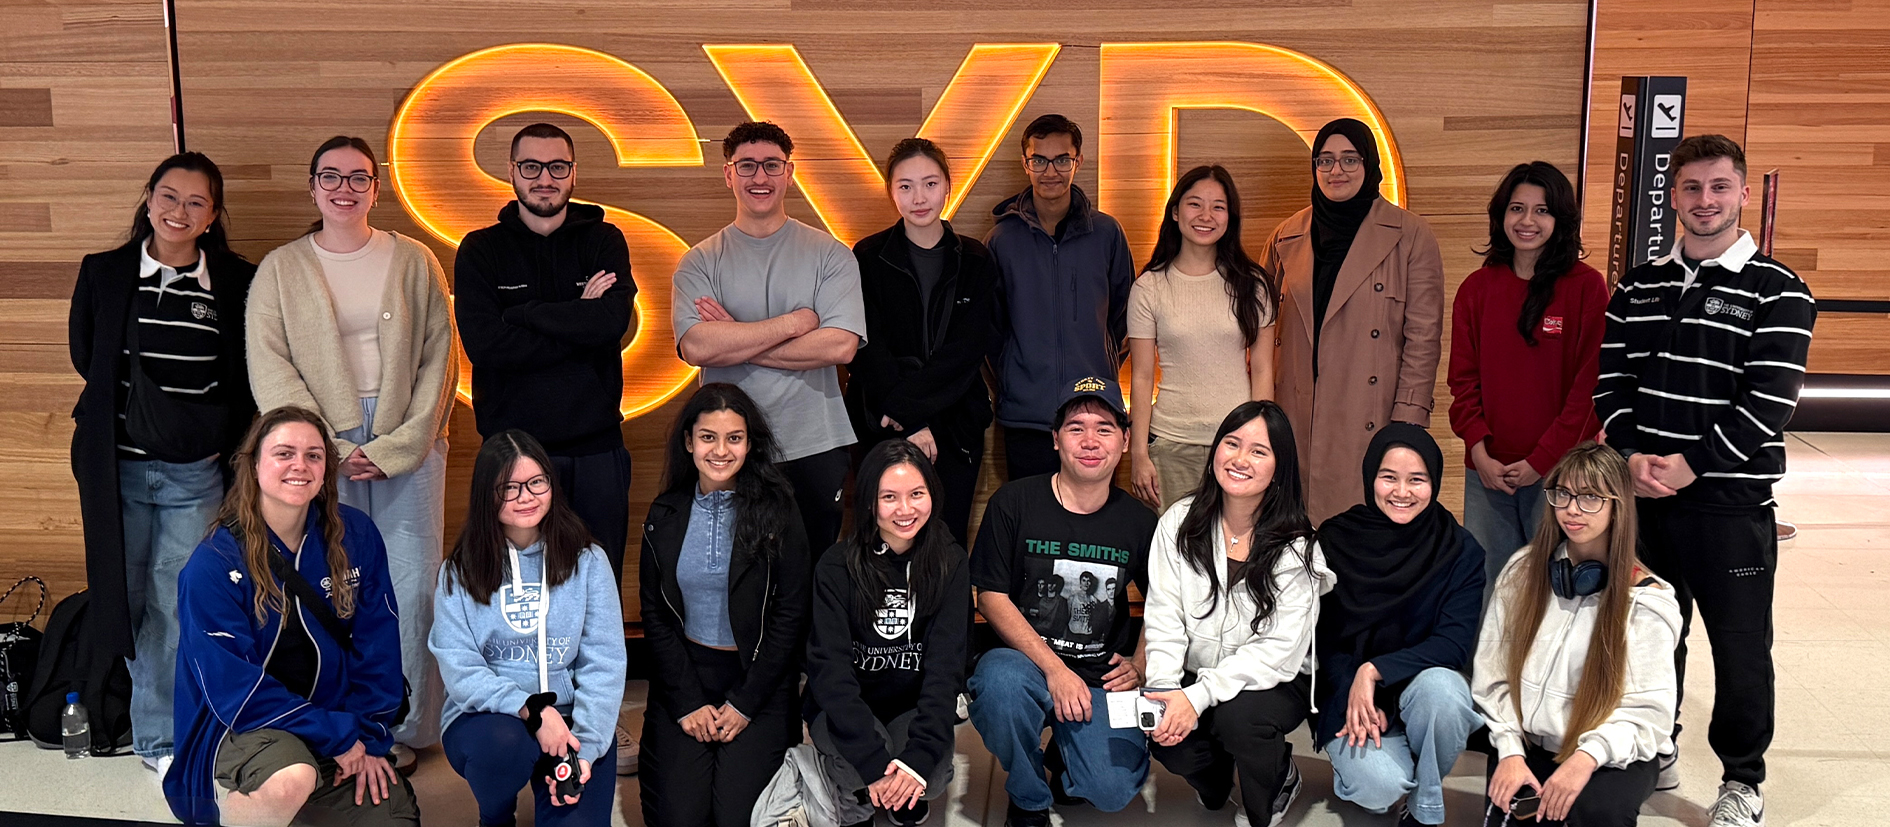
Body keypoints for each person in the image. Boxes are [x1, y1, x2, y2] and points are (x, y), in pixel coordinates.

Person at [1593, 134, 1815, 823]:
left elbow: (1767, 401)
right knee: (1650, 635)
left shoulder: (1779, 290)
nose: (1705, 200)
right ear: (1673, 197)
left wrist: (1691, 464)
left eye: (1720, 186)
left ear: (1744, 194)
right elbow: (1612, 382)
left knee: (1741, 646)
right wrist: (1630, 457)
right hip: (1644, 500)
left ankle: (1743, 779)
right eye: (1692, 188)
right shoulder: (1639, 284)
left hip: (1728, 505)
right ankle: (1656, 742)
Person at [246, 136, 459, 759]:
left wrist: (400, 445)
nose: (344, 188)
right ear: (311, 186)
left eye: (358, 177)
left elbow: (440, 360)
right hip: (315, 445)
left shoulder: (415, 259)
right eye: (330, 177)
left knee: (413, 579)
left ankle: (409, 722)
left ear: (377, 185)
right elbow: (270, 365)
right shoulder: (281, 268)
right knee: (331, 581)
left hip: (408, 440)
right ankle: (342, 726)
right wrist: (323, 450)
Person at [68, 152, 257, 773]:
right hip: (116, 471)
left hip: (195, 475)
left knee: (178, 602)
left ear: (212, 216)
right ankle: (144, 721)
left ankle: (165, 740)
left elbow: (243, 377)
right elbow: (85, 355)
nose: (179, 212)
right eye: (169, 197)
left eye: (196, 203)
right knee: (126, 601)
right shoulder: (104, 272)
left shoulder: (234, 280)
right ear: (148, 199)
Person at [164, 406, 415, 827]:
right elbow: (234, 693)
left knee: (393, 820)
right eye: (284, 453)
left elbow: (379, 649)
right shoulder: (213, 563)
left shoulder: (355, 535)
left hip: (336, 724)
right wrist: (335, 735)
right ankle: (248, 805)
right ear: (255, 465)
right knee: (290, 779)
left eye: (314, 456)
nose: (300, 465)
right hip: (243, 728)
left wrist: (368, 738)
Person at [453, 122, 636, 589]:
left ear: (573, 173)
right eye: (531, 166)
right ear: (512, 171)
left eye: (557, 166)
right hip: (510, 450)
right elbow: (485, 345)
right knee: (514, 586)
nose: (544, 178)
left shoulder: (604, 240)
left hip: (596, 448)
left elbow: (612, 324)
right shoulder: (480, 250)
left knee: (598, 585)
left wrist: (523, 315)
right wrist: (578, 316)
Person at [967, 376, 1156, 827]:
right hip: (1024, 666)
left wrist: (1142, 661)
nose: (1090, 440)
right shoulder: (1014, 502)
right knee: (1000, 688)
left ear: (1125, 441)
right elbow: (990, 596)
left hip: (1098, 678)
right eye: (1076, 428)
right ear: (1055, 440)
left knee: (1111, 790)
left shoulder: (1139, 521)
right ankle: (1028, 795)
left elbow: (1167, 605)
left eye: (1104, 428)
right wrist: (1055, 670)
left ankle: (1065, 755)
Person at [673, 121, 865, 551]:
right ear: (728, 174)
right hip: (729, 447)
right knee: (739, 575)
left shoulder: (830, 254)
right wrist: (796, 323)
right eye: (747, 166)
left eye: (772, 165)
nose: (760, 177)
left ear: (790, 172)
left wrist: (736, 339)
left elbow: (840, 345)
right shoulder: (699, 262)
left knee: (814, 573)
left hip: (816, 441)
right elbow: (697, 346)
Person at [1142, 400, 1332, 827]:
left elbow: (1278, 651)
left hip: (1275, 679)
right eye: (1232, 443)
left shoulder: (1298, 545)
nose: (1240, 459)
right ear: (1215, 452)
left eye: (1259, 451)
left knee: (1239, 719)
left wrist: (1198, 697)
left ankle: (1278, 779)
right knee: (1170, 742)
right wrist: (1167, 690)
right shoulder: (1179, 522)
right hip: (1198, 671)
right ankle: (1215, 780)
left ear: (1278, 468)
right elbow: (1164, 614)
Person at [1473, 443, 1682, 826]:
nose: (1571, 508)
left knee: (1595, 811)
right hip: (1528, 747)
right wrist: (1509, 750)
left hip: (1606, 757)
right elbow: (1492, 674)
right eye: (1563, 493)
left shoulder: (1648, 603)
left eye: (1590, 497)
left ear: (1618, 505)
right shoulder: (1523, 570)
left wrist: (1585, 760)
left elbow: (1650, 714)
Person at [430, 429, 627, 827]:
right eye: (509, 487)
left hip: (570, 722)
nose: (526, 496)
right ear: (486, 493)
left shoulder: (588, 561)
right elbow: (460, 668)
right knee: (501, 748)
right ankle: (496, 816)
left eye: (537, 482)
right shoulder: (460, 569)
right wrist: (532, 710)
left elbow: (604, 663)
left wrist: (585, 749)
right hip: (490, 718)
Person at [638, 383, 812, 827]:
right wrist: (687, 700)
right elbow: (655, 615)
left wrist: (745, 702)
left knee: (739, 816)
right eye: (708, 437)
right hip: (686, 679)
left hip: (758, 680)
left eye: (734, 437)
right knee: (681, 816)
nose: (720, 450)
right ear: (689, 442)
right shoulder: (664, 513)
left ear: (749, 443)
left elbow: (790, 615)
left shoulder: (780, 510)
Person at [1262, 117, 1444, 525]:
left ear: (1370, 165)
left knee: (1360, 543)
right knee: (1292, 543)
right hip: (1296, 421)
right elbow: (1260, 333)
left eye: (1349, 159)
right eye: (1324, 161)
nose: (1336, 171)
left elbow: (1423, 339)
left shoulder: (1410, 235)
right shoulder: (1285, 236)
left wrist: (1408, 425)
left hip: (1370, 421)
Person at [1312, 423, 1486, 825]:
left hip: (1417, 692)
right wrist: (1357, 687)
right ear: (1370, 476)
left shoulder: (1460, 550)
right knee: (1381, 788)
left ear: (1435, 482)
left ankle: (1423, 804)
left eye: (1417, 480)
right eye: (1388, 477)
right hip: (1348, 693)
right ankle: (1395, 771)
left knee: (1446, 693)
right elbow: (1322, 638)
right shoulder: (1335, 539)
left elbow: (1453, 644)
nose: (1402, 492)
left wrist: (1375, 672)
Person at [1450, 162, 1607, 592]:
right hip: (1488, 472)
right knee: (1490, 587)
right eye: (1517, 208)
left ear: (1561, 219)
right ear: (1501, 216)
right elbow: (1462, 382)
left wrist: (1541, 462)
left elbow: (1590, 388)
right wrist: (1479, 452)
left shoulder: (1586, 288)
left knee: (1557, 587)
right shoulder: (1476, 289)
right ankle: (1489, 664)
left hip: (1562, 473)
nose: (1527, 221)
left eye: (1542, 210)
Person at [804, 439, 971, 827]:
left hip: (909, 705)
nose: (905, 509)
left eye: (916, 494)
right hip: (849, 705)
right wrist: (876, 765)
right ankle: (858, 793)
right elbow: (830, 672)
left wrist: (916, 761)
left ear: (933, 494)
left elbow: (947, 668)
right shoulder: (837, 565)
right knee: (856, 770)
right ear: (867, 502)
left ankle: (893, 791)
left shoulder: (950, 561)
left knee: (929, 777)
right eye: (889, 497)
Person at [846, 138, 1001, 546]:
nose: (919, 197)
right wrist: (910, 422)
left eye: (930, 184)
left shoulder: (976, 259)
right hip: (884, 423)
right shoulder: (867, 256)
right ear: (890, 191)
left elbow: (967, 350)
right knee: (882, 545)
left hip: (954, 426)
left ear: (948, 186)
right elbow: (866, 347)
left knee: (946, 545)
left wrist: (912, 411)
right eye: (906, 186)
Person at [985, 115, 1136, 480]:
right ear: (1025, 163)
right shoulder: (1001, 240)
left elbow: (1125, 314)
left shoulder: (1107, 233)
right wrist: (1013, 373)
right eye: (1039, 160)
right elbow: (991, 327)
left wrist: (1098, 365)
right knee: (1032, 527)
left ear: (1078, 161)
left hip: (1093, 417)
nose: (1049, 171)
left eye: (1061, 159)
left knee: (1094, 527)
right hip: (1027, 414)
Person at [1129, 164, 1277, 512]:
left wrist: (1262, 444)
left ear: (1231, 217)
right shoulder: (1149, 287)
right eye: (1195, 204)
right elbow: (1141, 375)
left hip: (1238, 446)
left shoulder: (1253, 284)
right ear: (1176, 212)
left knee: (1235, 553)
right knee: (1173, 556)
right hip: (1170, 445)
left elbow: (1264, 370)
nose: (1206, 215)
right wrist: (1138, 453)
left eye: (1218, 207)